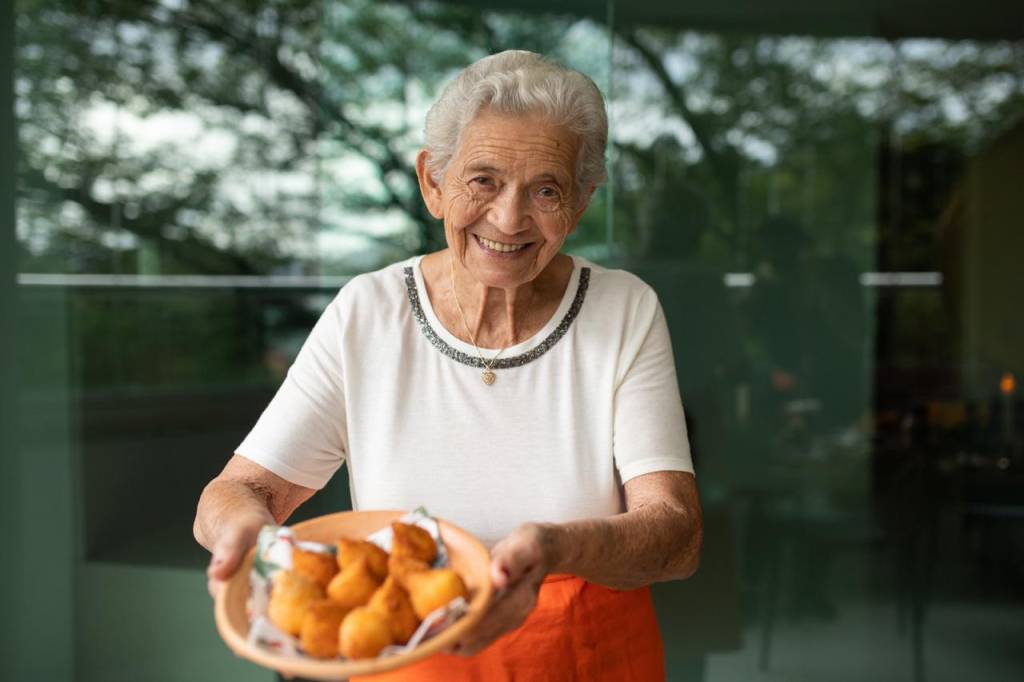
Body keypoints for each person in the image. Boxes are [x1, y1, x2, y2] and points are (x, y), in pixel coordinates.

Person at [194, 50, 702, 681]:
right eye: (483, 180)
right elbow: (242, 492)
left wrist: (556, 547)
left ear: (580, 201)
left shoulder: (625, 309)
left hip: (581, 656)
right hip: (407, 660)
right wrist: (247, 536)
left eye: (545, 189)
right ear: (433, 182)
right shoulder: (368, 312)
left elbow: (676, 537)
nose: (509, 219)